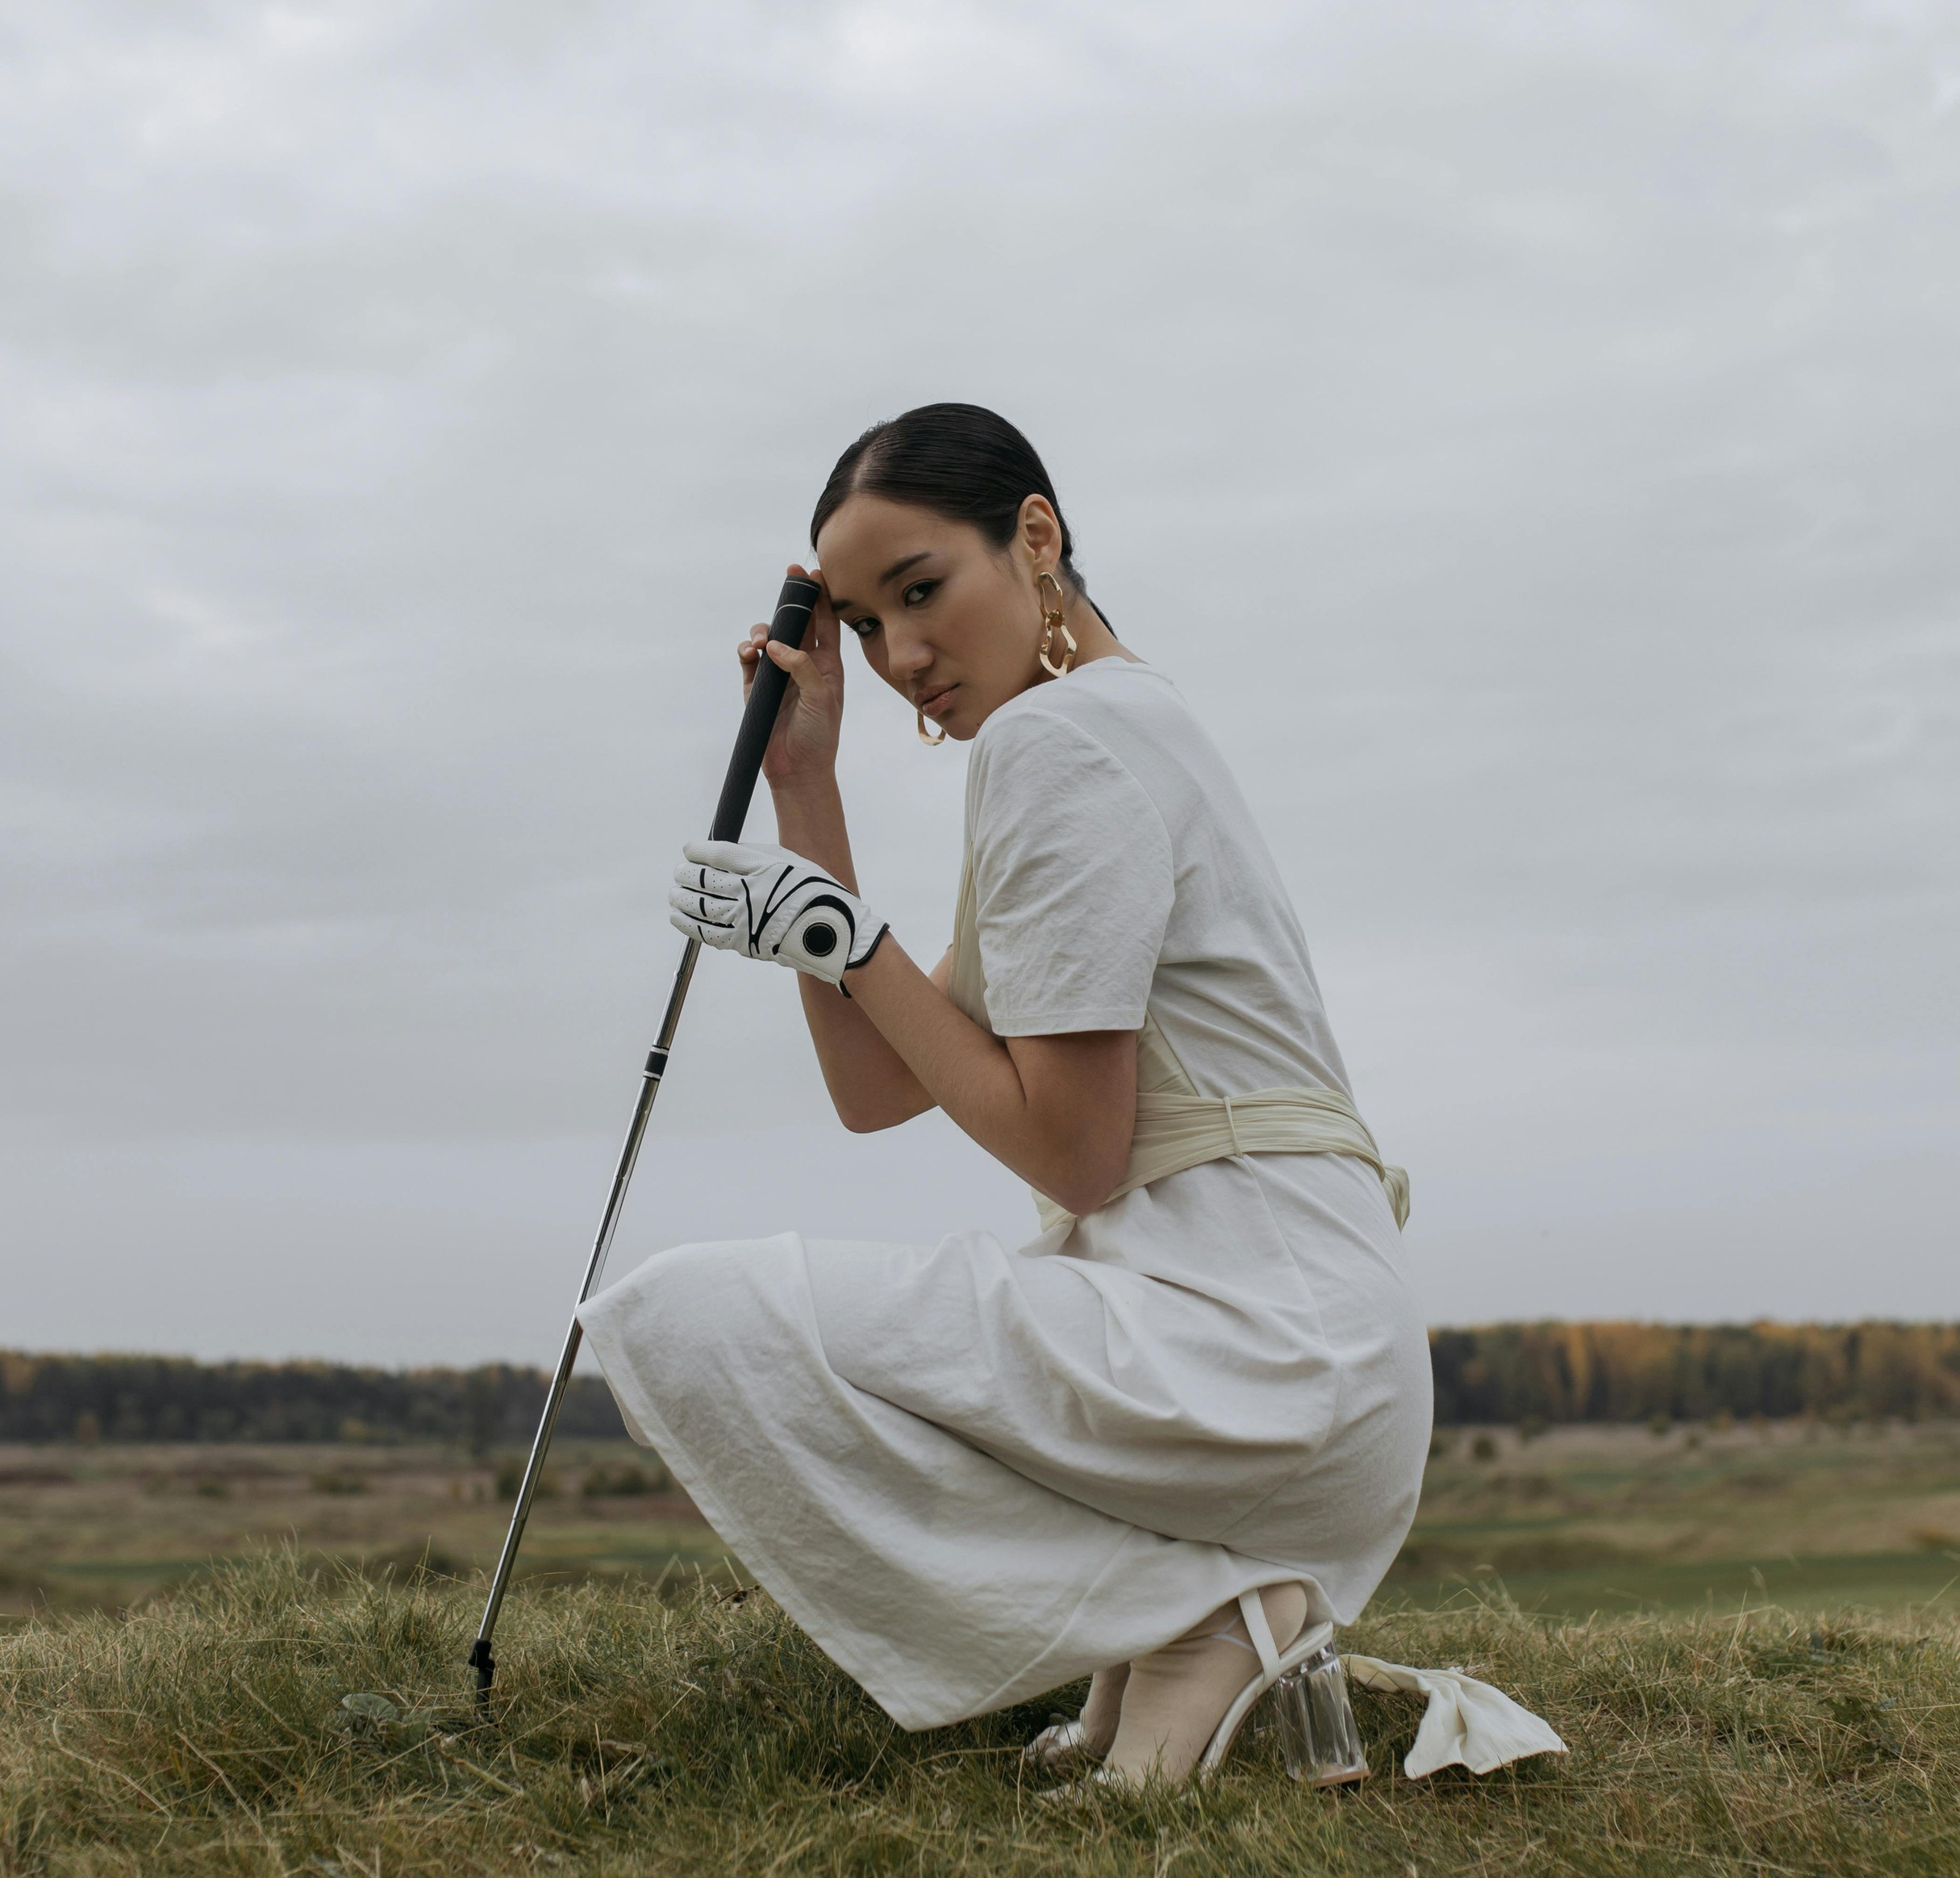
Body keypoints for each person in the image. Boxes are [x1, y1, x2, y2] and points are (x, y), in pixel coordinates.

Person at [581, 403, 1435, 1784]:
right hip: (1297, 1355)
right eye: (861, 624)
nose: (900, 655)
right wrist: (810, 790)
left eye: (921, 592)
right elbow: (880, 1087)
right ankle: (1201, 1618)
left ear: (1036, 536)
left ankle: (1197, 1608)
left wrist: (842, 937)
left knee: (684, 1319)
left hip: (1245, 1348)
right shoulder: (1117, 722)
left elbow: (1074, 1154)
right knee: (744, 1319)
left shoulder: (1063, 747)